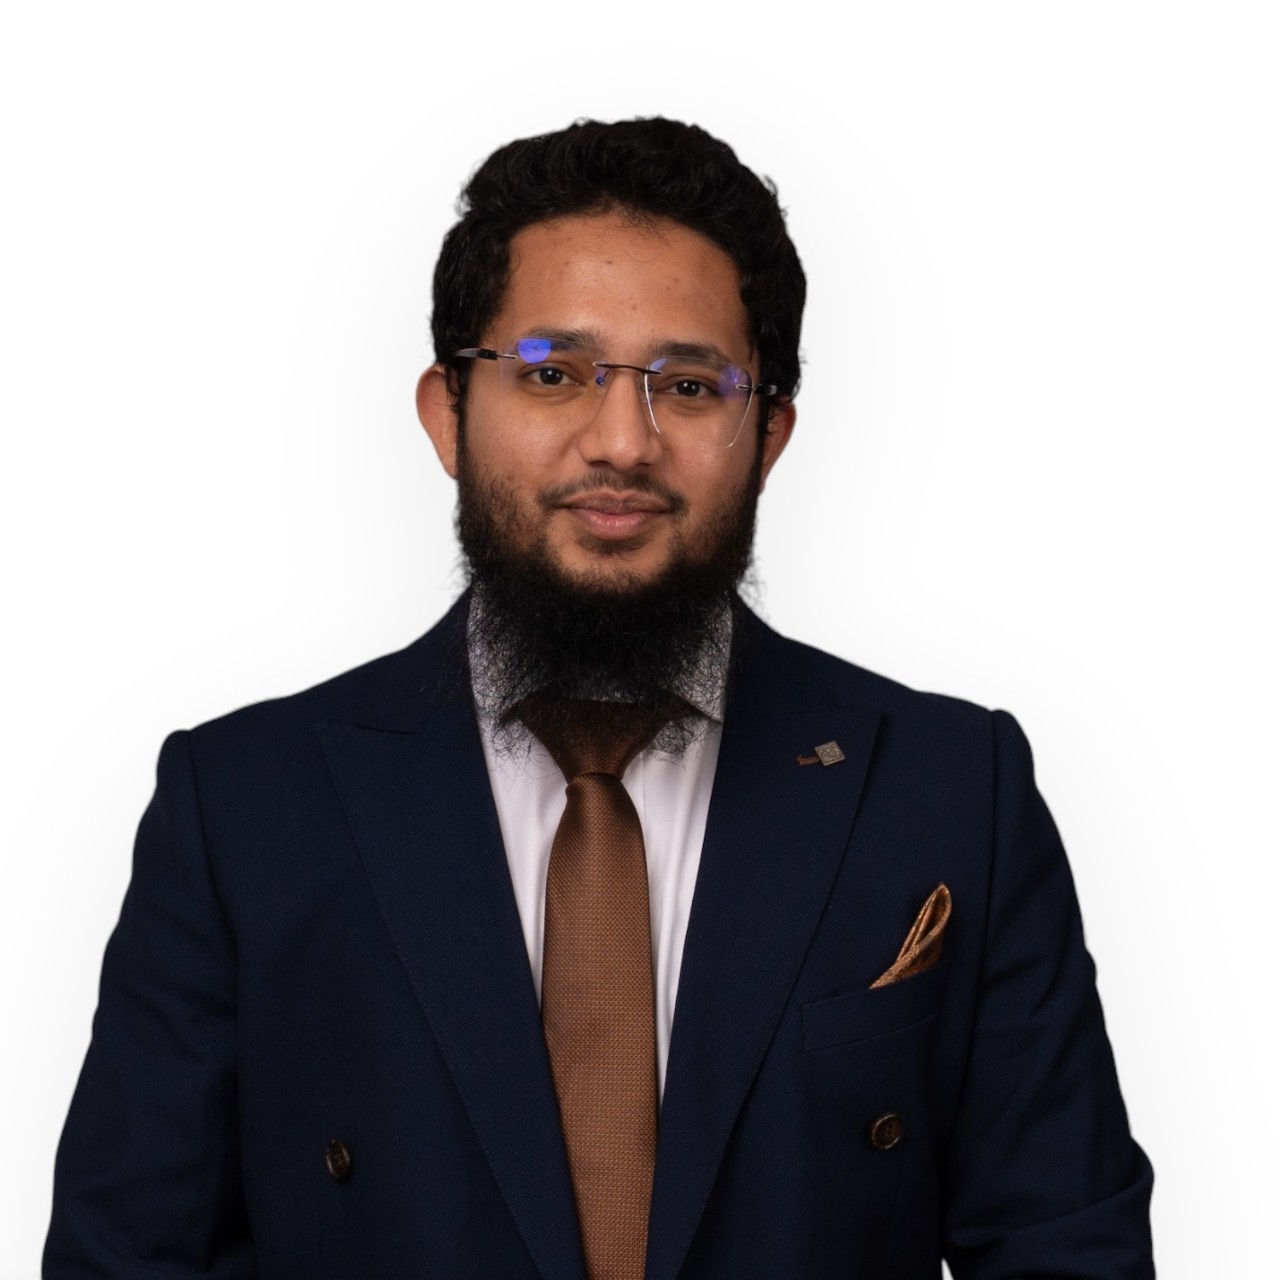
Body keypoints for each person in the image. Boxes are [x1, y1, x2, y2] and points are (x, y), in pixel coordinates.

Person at [45, 118, 1154, 1279]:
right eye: (552, 372)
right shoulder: (242, 808)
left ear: (766, 431)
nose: (620, 441)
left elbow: (1063, 1246)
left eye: (687, 383)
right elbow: (128, 1262)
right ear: (447, 414)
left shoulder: (946, 790)